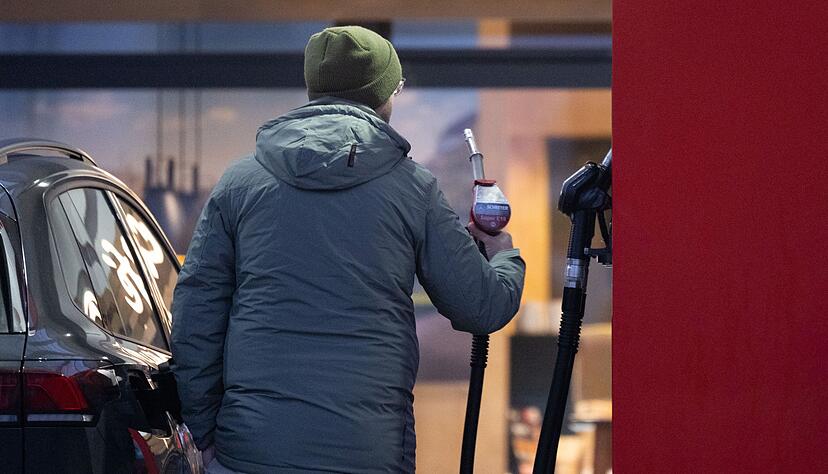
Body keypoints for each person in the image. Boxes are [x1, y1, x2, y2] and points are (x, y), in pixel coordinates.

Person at [171, 25, 525, 474]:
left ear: (312, 87)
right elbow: (482, 306)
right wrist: (503, 254)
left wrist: (202, 432)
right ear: (384, 94)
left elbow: (196, 315)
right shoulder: (412, 188)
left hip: (252, 449)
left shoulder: (239, 183)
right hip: (368, 452)